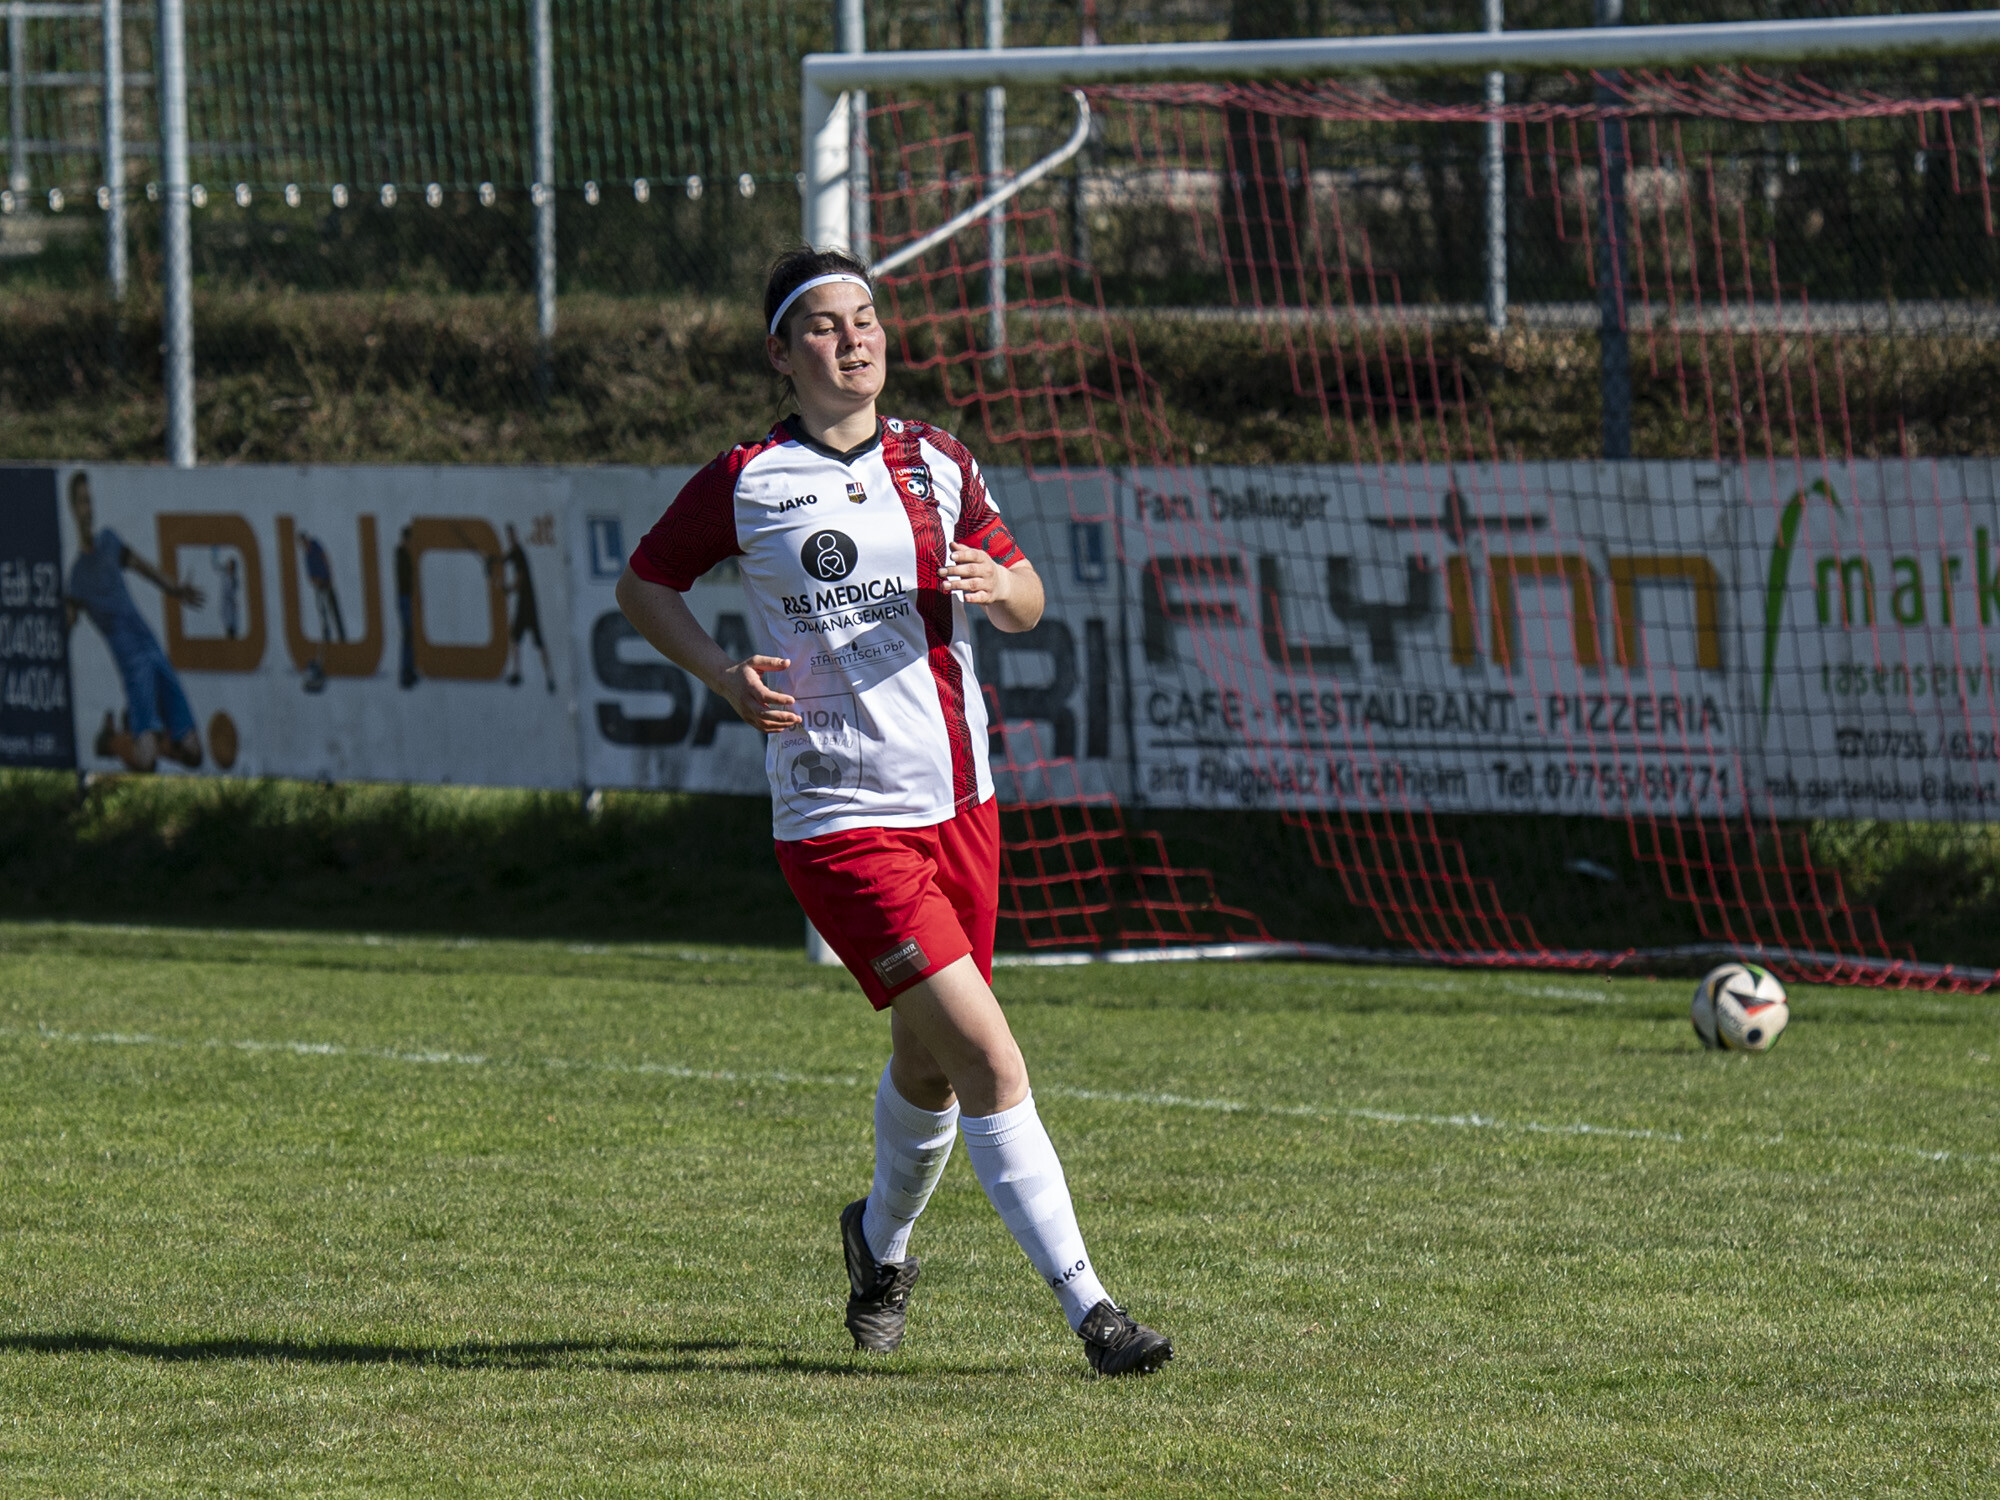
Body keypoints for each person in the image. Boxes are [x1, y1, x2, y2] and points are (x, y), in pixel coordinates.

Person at [615, 247, 1172, 1377]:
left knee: (927, 1068)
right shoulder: (748, 479)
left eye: (864, 318)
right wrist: (724, 677)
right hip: (838, 819)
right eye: (823, 325)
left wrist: (998, 585)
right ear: (782, 354)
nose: (853, 338)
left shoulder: (939, 460)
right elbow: (644, 584)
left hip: (962, 805)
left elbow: (1027, 598)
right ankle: (1095, 1313)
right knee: (990, 1062)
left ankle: (878, 1245)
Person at [63, 471, 204, 772]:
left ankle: (142, 731)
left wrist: (176, 589)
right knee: (146, 761)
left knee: (194, 753)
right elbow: (66, 622)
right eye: (82, 502)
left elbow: (143, 567)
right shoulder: (76, 576)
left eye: (90, 501)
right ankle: (112, 741)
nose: (88, 509)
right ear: (73, 509)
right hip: (132, 663)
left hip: (152, 647)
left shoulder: (109, 541)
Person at [495, 522, 555, 692]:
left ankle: (546, 677)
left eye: (511, 535)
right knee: (518, 640)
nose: (510, 538)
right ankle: (521, 673)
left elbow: (519, 579)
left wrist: (508, 588)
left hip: (527, 605)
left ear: (515, 535)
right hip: (526, 604)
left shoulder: (519, 553)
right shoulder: (515, 552)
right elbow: (504, 559)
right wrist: (494, 561)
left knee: (533, 642)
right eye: (508, 535)